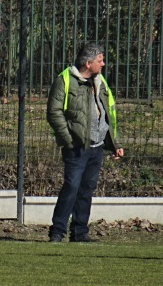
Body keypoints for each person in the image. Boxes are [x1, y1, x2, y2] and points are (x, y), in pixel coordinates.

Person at [47, 42, 124, 243]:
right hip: (77, 146)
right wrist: (69, 139)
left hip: (97, 146)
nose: (103, 64)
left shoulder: (100, 81)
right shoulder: (64, 80)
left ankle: (80, 232)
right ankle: (57, 231)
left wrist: (115, 144)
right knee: (71, 187)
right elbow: (54, 113)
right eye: (100, 60)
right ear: (88, 63)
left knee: (87, 189)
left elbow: (110, 112)